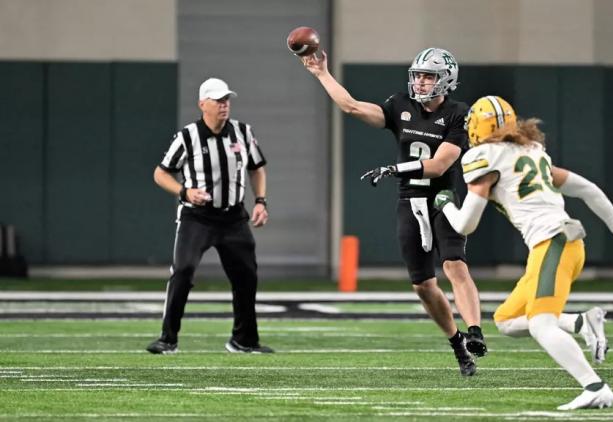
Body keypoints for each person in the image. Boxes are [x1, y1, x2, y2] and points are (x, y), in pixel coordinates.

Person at [434, 95, 613, 409]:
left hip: (553, 243)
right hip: (564, 243)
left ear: (480, 128)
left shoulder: (484, 156)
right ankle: (581, 323)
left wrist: (447, 206)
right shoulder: (531, 151)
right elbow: (588, 188)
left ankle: (595, 387)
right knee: (507, 319)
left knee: (540, 324)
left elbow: (466, 225)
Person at [301, 48, 484, 376]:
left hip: (442, 198)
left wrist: (396, 168)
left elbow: (440, 163)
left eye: (428, 76)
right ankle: (457, 344)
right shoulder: (400, 104)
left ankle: (475, 332)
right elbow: (352, 106)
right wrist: (321, 73)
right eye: (418, 74)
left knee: (454, 264)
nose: (421, 81)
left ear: (446, 79)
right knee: (423, 286)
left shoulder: (459, 113)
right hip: (410, 202)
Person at [146, 77, 273, 355]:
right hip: (197, 217)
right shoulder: (188, 136)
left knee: (246, 277)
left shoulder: (242, 132)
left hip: (233, 218)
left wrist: (260, 201)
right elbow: (160, 173)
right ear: (203, 104)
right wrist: (184, 192)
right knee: (183, 271)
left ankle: (244, 340)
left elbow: (257, 167)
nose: (224, 105)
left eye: (226, 99)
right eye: (218, 100)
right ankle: (168, 339)